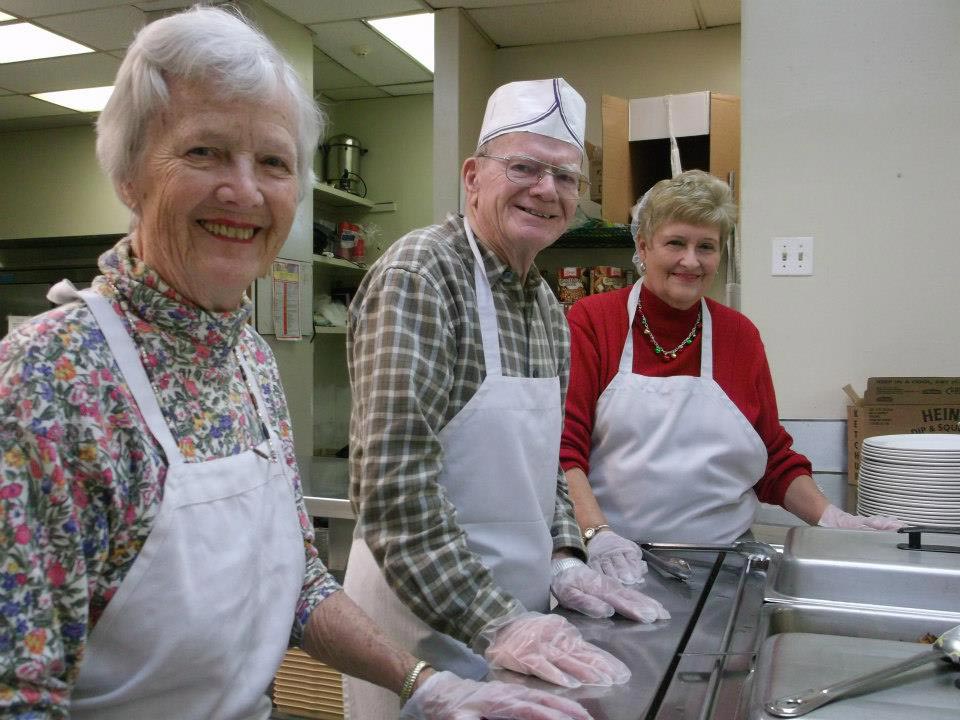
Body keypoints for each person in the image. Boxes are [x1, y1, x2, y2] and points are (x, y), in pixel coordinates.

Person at [0, 8, 596, 720]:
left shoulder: (246, 358)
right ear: (129, 175)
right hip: (441, 616)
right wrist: (479, 636)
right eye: (204, 153)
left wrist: (423, 684)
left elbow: (295, 582)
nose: (245, 192)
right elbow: (21, 693)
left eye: (274, 163)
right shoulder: (50, 377)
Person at [344, 77, 671, 717]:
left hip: (518, 632)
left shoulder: (547, 307)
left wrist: (564, 558)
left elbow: (543, 468)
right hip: (419, 634)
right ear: (472, 176)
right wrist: (500, 622)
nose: (546, 189)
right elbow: (392, 489)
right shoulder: (422, 275)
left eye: (565, 177)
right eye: (523, 166)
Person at [560, 170, 903, 584]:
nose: (691, 260)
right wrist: (597, 535)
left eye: (706, 246)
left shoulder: (739, 335)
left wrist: (831, 517)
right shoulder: (594, 321)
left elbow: (772, 458)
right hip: (615, 561)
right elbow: (565, 450)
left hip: (725, 565)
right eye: (676, 243)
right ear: (643, 246)